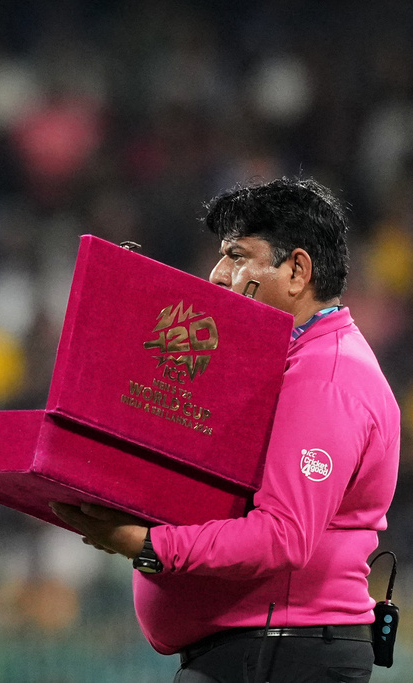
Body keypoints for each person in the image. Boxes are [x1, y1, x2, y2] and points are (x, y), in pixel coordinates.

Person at [51, 177, 400, 682]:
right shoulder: (281, 366)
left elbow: (283, 537)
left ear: (298, 271)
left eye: (238, 256)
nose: (216, 276)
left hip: (280, 654)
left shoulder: (324, 378)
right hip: (258, 653)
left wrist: (146, 545)